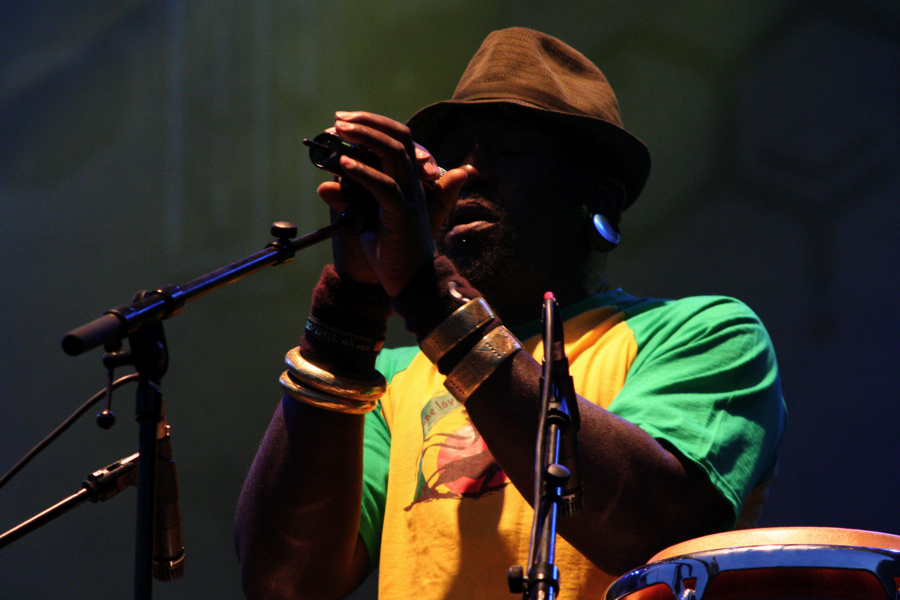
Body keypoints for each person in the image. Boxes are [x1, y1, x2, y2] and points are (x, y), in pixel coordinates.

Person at [234, 27, 786, 600]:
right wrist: (352, 304)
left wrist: (429, 294)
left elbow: (650, 532)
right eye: (452, 157)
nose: (469, 172)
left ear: (600, 198)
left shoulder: (703, 333)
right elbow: (284, 584)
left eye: (513, 149)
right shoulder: (392, 381)